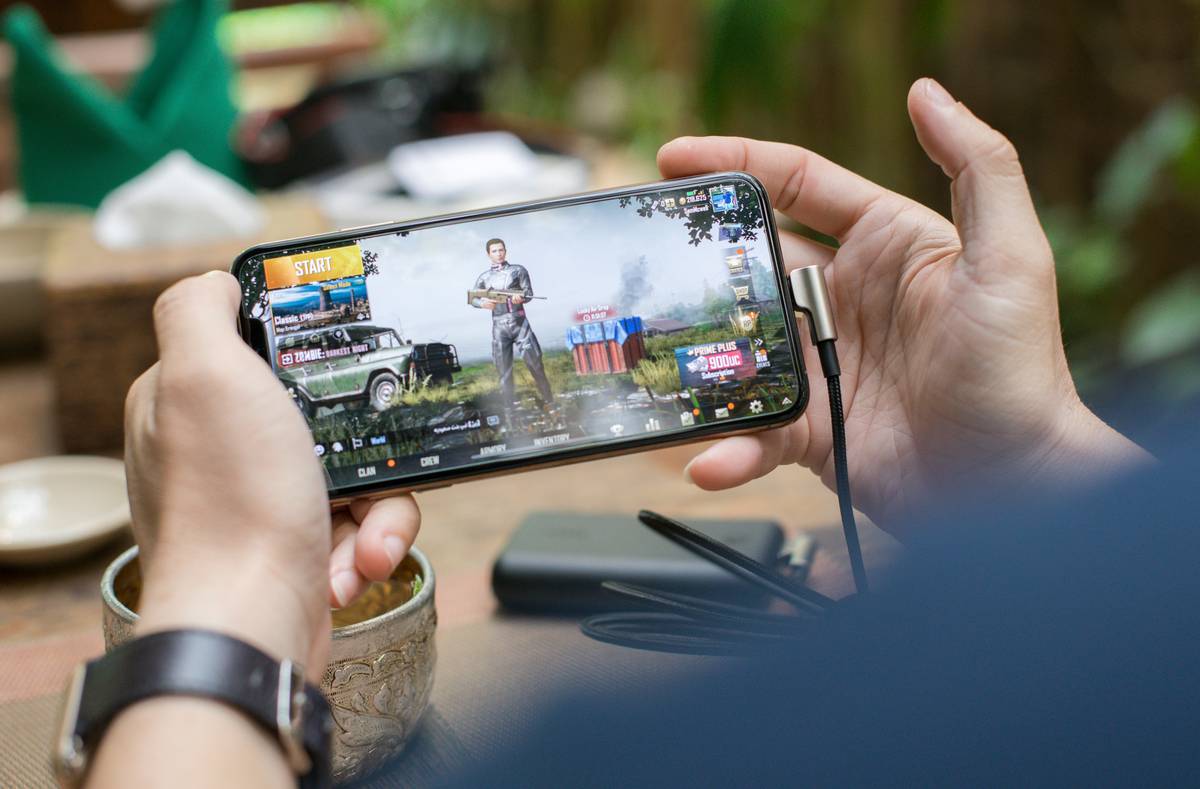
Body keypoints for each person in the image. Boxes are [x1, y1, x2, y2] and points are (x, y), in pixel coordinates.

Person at [88, 78, 1168, 786]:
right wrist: (1030, 470)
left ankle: (545, 407)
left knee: (537, 383)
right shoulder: (1143, 623)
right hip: (505, 343)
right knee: (516, 372)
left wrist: (224, 585)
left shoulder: (640, 752)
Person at [469, 237, 555, 410]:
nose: (499, 254)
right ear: (488, 254)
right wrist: (483, 304)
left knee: (536, 365)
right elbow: (472, 298)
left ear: (505, 251)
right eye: (494, 251)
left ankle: (550, 402)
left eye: (501, 250)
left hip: (520, 323)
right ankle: (510, 410)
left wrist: (520, 297)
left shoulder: (518, 270)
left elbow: (529, 294)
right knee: (504, 371)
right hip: (499, 327)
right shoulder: (484, 277)